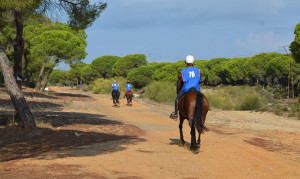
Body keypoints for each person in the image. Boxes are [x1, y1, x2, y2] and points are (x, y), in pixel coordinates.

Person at [170, 55, 202, 120]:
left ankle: (176, 114)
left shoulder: (184, 70)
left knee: (177, 99)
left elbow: (182, 80)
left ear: (186, 62)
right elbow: (200, 80)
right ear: (193, 62)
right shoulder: (197, 70)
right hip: (197, 89)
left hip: (186, 89)